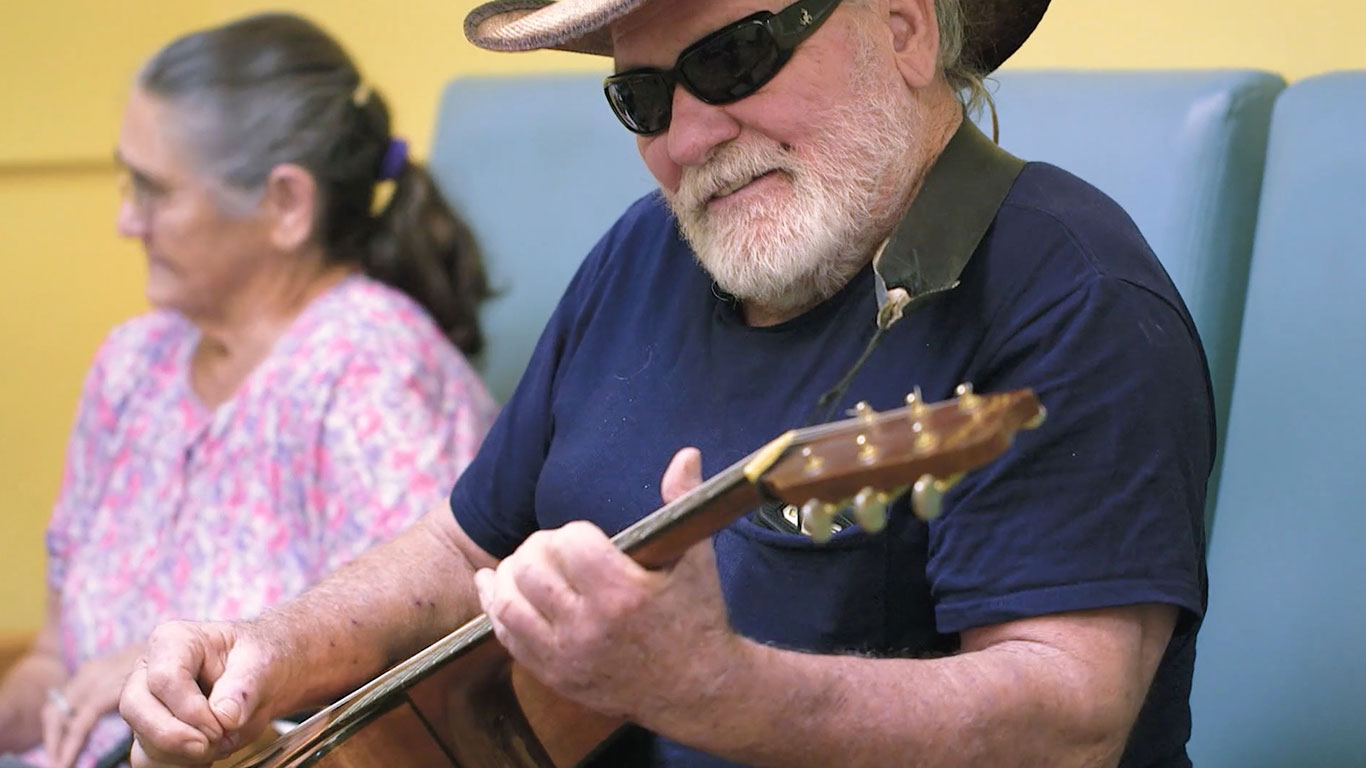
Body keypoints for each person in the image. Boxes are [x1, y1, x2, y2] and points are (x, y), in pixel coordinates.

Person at [121, 0, 1214, 766]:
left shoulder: (1071, 289)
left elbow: (1070, 723)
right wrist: (269, 648)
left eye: (737, 58)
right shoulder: (645, 253)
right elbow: (466, 550)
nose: (689, 136)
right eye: (643, 97)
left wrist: (716, 690)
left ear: (903, 26)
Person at [0, 12, 499, 768]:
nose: (124, 220)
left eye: (153, 189)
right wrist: (35, 692)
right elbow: (52, 652)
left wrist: (176, 686)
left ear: (286, 204)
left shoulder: (370, 373)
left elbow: (417, 697)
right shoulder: (131, 364)